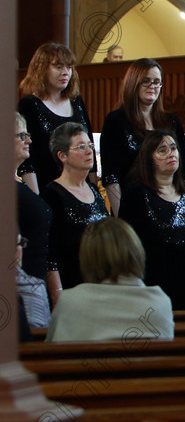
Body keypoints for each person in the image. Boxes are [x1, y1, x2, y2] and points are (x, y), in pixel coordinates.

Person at [46, 217, 174, 342]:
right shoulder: (160, 301)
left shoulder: (70, 301)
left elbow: (53, 351)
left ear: (88, 258)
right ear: (136, 251)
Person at [120, 131, 185, 310]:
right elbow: (124, 246)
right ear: (149, 158)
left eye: (173, 148)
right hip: (150, 285)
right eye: (162, 150)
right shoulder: (136, 193)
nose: (171, 153)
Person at [100, 58, 185, 216]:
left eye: (157, 82)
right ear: (133, 83)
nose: (152, 87)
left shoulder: (171, 122)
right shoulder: (116, 121)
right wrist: (123, 218)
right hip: (133, 208)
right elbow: (111, 177)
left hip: (171, 209)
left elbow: (184, 174)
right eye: (146, 81)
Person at [42, 122, 109, 301]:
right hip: (73, 287)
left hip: (103, 286)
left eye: (90, 146)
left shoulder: (94, 190)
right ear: (62, 155)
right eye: (81, 147)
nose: (89, 152)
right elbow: (50, 254)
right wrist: (58, 296)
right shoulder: (52, 194)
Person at [17, 42, 96, 194]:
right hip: (47, 188)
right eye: (58, 67)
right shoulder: (29, 105)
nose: (66, 72)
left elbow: (89, 145)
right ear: (41, 69)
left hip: (81, 189)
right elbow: (28, 160)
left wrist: (93, 190)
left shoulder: (76, 101)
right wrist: (38, 201)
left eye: (69, 67)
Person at [14, 112, 55, 301]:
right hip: (19, 288)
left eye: (28, 135)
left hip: (35, 283)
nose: (28, 141)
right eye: (22, 135)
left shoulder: (18, 183)